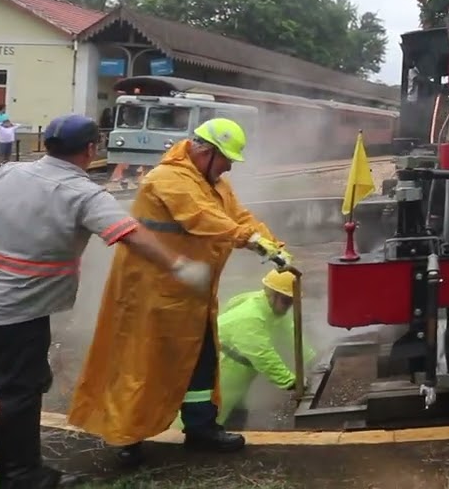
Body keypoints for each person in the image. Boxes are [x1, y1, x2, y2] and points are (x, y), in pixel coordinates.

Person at [0, 114, 213, 489]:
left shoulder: (8, 172)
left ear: (48, 144)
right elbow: (129, 234)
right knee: (19, 394)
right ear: (92, 149)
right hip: (14, 314)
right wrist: (178, 264)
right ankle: (22, 476)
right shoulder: (84, 193)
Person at [66, 118, 293, 469]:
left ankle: (201, 428)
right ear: (205, 152)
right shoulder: (167, 179)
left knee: (200, 362)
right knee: (140, 365)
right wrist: (251, 241)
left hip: (189, 295)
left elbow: (239, 217)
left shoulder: (213, 181)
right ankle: (126, 437)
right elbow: (201, 218)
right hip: (149, 295)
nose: (230, 166)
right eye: (227, 158)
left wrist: (274, 243)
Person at [208, 269, 315, 428]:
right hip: (223, 367)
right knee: (213, 411)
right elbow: (262, 355)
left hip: (237, 368)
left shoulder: (268, 307)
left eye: (291, 302)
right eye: (286, 301)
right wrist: (290, 382)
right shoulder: (251, 317)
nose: (288, 307)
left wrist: (311, 358)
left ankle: (232, 436)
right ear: (272, 294)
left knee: (235, 411)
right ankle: (174, 442)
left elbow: (291, 332)